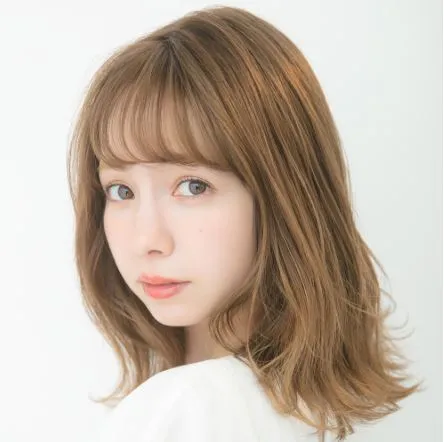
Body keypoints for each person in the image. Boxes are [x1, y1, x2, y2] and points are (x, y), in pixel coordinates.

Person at [67, 5, 423, 442]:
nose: (147, 239)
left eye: (193, 186)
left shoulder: (183, 409)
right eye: (121, 191)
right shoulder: (311, 411)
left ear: (282, 193)